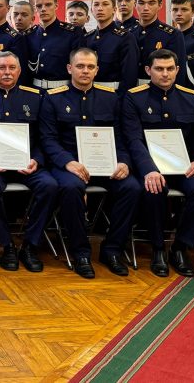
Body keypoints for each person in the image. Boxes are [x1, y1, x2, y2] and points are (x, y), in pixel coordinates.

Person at [39, 48, 141, 279]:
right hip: (69, 164)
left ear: (97, 70)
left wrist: (124, 162)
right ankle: (81, 252)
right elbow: (48, 139)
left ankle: (112, 249)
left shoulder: (111, 98)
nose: (85, 71)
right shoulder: (53, 98)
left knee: (132, 188)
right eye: (80, 66)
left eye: (90, 67)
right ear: (69, 68)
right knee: (71, 188)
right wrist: (68, 162)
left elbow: (120, 137)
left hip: (106, 164)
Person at [121, 50, 194, 277]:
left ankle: (180, 247)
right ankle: (158, 248)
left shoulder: (190, 97)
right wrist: (149, 170)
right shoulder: (134, 97)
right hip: (150, 167)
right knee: (153, 189)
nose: (165, 74)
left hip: (183, 167)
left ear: (177, 70)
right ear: (148, 70)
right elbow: (133, 139)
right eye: (159, 69)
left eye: (170, 69)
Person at [0, 52, 59, 272]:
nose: (7, 72)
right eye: (2, 68)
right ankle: (7, 245)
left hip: (27, 164)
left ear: (19, 71)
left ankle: (30, 245)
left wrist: (37, 159)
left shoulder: (36, 98)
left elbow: (45, 136)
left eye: (12, 68)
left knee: (50, 186)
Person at [27, 0, 84, 89]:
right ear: (35, 9)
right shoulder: (29, 35)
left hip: (63, 91)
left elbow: (79, 66)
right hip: (35, 91)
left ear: (56, 6)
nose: (43, 9)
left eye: (48, 5)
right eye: (39, 6)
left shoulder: (72, 33)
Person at [130, 0, 186, 86]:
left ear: (160, 5)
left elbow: (179, 71)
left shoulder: (172, 35)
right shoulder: (129, 33)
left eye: (151, 3)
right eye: (141, 3)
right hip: (130, 89)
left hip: (159, 88)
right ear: (135, 4)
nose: (146, 8)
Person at [84, 0, 138, 92]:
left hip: (113, 95)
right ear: (91, 10)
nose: (100, 8)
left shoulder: (125, 38)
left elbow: (129, 77)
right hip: (88, 94)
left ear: (114, 9)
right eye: (96, 5)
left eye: (105, 4)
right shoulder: (87, 38)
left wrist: (121, 99)